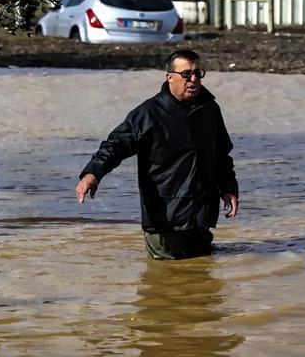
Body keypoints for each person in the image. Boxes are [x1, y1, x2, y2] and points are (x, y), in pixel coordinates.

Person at [75, 49, 239, 260]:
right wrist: (92, 173)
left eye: (198, 73)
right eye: (186, 74)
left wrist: (228, 188)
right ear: (170, 77)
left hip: (200, 219)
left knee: (204, 283)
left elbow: (222, 155)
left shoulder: (209, 109)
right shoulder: (148, 114)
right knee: (163, 285)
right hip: (164, 222)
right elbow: (115, 145)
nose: (194, 79)